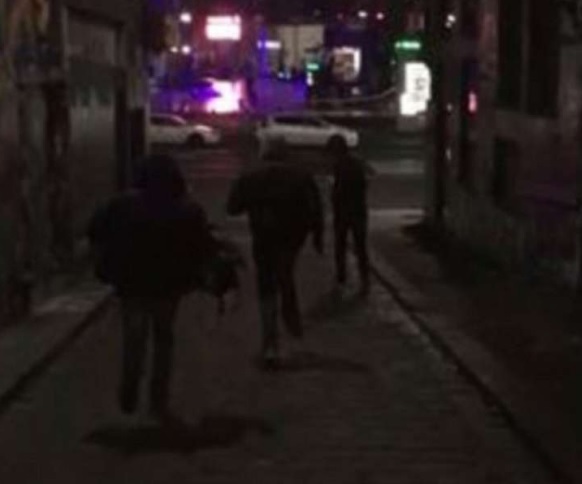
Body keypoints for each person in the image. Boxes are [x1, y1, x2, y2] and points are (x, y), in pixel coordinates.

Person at [88, 154, 216, 420]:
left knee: (133, 338)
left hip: (131, 282)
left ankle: (130, 386)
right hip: (168, 285)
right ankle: (158, 398)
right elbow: (201, 247)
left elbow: (95, 231)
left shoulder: (121, 205)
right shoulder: (187, 209)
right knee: (163, 338)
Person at [226, 138, 324, 368]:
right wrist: (316, 235)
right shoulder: (301, 176)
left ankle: (270, 340)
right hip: (292, 237)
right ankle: (290, 313)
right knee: (286, 272)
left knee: (266, 284)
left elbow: (232, 208)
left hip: (263, 236)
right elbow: (315, 209)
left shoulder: (251, 177)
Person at [328, 138, 373, 296]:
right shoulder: (357, 162)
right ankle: (364, 279)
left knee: (340, 245)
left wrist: (334, 196)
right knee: (360, 246)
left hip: (343, 210)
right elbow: (367, 178)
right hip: (358, 208)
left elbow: (338, 189)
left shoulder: (340, 165)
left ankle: (341, 277)